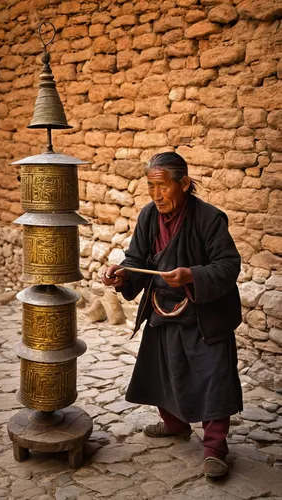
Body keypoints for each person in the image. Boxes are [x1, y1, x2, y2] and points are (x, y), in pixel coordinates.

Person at [102, 152, 243, 479]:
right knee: (164, 370)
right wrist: (123, 275)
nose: (156, 195)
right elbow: (137, 258)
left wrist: (192, 274)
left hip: (203, 313)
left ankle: (214, 449)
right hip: (163, 308)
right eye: (151, 187)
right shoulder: (149, 216)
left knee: (213, 376)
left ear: (183, 183)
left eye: (162, 187)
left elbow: (228, 265)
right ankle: (175, 425)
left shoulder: (209, 219)